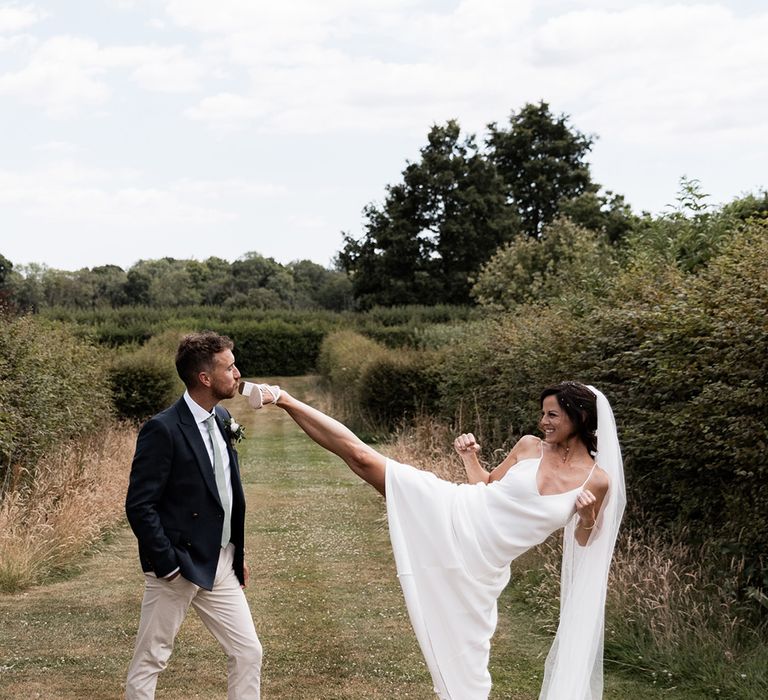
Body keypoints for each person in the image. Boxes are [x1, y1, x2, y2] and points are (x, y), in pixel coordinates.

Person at [245, 380, 625, 700]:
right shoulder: (529, 446)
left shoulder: (598, 480)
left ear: (581, 417)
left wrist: (589, 516)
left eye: (552, 414)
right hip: (452, 510)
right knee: (362, 458)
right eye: (543, 413)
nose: (543, 421)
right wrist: (469, 459)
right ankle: (285, 398)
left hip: (481, 570)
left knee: (467, 681)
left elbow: (586, 540)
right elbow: (488, 486)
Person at [124, 331, 262, 700]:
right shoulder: (163, 429)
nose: (237, 374)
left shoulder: (222, 416)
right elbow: (140, 504)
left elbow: (224, 492)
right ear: (205, 378)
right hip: (177, 564)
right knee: (152, 658)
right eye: (229, 367)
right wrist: (167, 564)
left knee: (248, 651)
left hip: (220, 561)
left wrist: (236, 553)